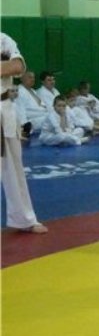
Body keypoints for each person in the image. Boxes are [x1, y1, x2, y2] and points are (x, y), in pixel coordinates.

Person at [1, 33, 48, 233]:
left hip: (3, 109)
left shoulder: (3, 40)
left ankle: (24, 219)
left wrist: (7, 67)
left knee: (13, 168)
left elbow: (17, 66)